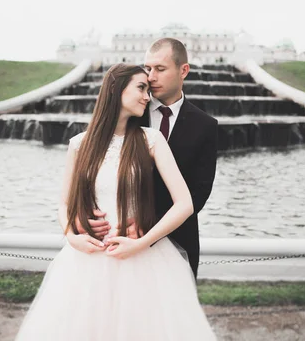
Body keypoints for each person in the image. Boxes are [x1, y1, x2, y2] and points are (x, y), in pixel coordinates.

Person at [15, 64, 216, 340]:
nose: (148, 97)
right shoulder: (79, 144)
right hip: (87, 259)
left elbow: (184, 204)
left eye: (148, 89)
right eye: (141, 88)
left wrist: (141, 243)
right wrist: (72, 237)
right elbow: (64, 204)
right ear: (115, 89)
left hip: (143, 258)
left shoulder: (151, 140)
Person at [88, 38, 219, 278]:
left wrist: (147, 225)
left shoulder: (206, 126)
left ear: (184, 71)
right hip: (117, 235)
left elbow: (198, 193)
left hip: (178, 241)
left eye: (160, 69)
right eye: (148, 68)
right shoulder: (130, 112)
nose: (150, 76)